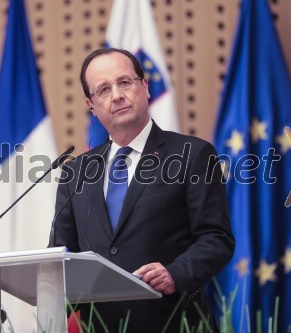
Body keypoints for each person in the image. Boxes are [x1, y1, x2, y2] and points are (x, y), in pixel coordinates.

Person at [52, 48, 235, 332]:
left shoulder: (192, 154)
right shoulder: (76, 172)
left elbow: (216, 237)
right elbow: (61, 255)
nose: (116, 95)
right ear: (91, 105)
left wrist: (176, 273)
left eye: (125, 82)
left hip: (172, 320)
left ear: (145, 87)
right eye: (103, 89)